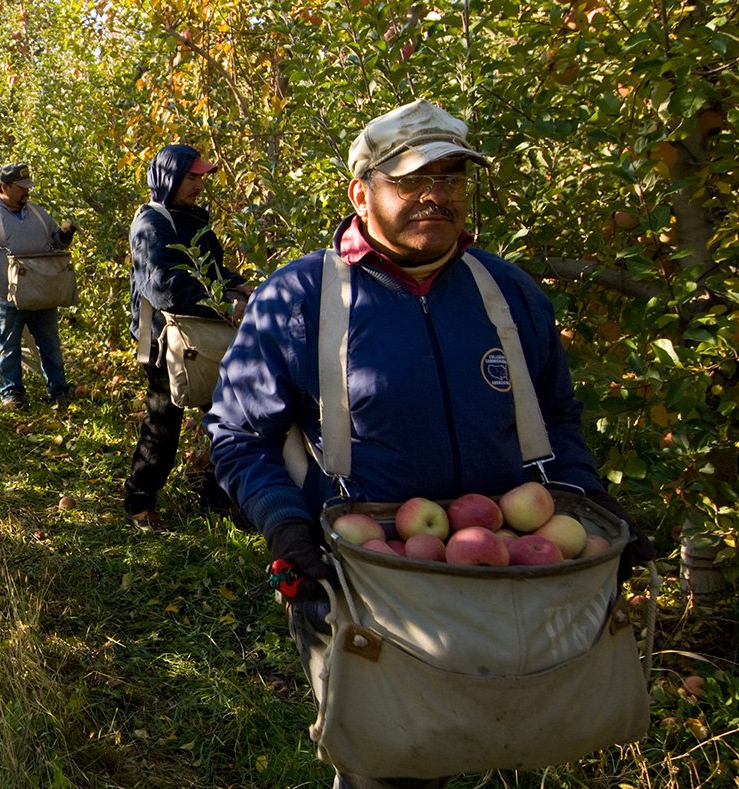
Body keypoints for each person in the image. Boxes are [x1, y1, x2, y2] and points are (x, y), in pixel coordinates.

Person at [204, 100, 654, 788]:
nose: (434, 196)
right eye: (410, 179)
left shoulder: (507, 292)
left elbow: (557, 419)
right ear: (361, 192)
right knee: (393, 765)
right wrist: (285, 523)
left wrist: (588, 500)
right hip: (366, 582)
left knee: (517, 739)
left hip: (509, 577)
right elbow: (238, 433)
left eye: (449, 177)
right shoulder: (300, 297)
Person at [123, 144, 247, 532]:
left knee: (228, 415)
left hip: (202, 335)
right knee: (163, 422)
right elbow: (165, 287)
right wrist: (225, 299)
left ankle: (216, 495)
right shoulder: (151, 224)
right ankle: (138, 501)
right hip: (165, 339)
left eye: (201, 178)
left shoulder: (193, 219)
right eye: (191, 178)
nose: (198, 185)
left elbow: (212, 270)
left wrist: (241, 286)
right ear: (169, 177)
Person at [0, 162, 76, 410]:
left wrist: (63, 237)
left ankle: (59, 391)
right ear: (5, 186)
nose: (26, 192)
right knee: (9, 347)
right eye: (21, 188)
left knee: (50, 345)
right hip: (4, 296)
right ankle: (11, 394)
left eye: (27, 187)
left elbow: (55, 243)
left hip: (41, 293)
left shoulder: (38, 213)